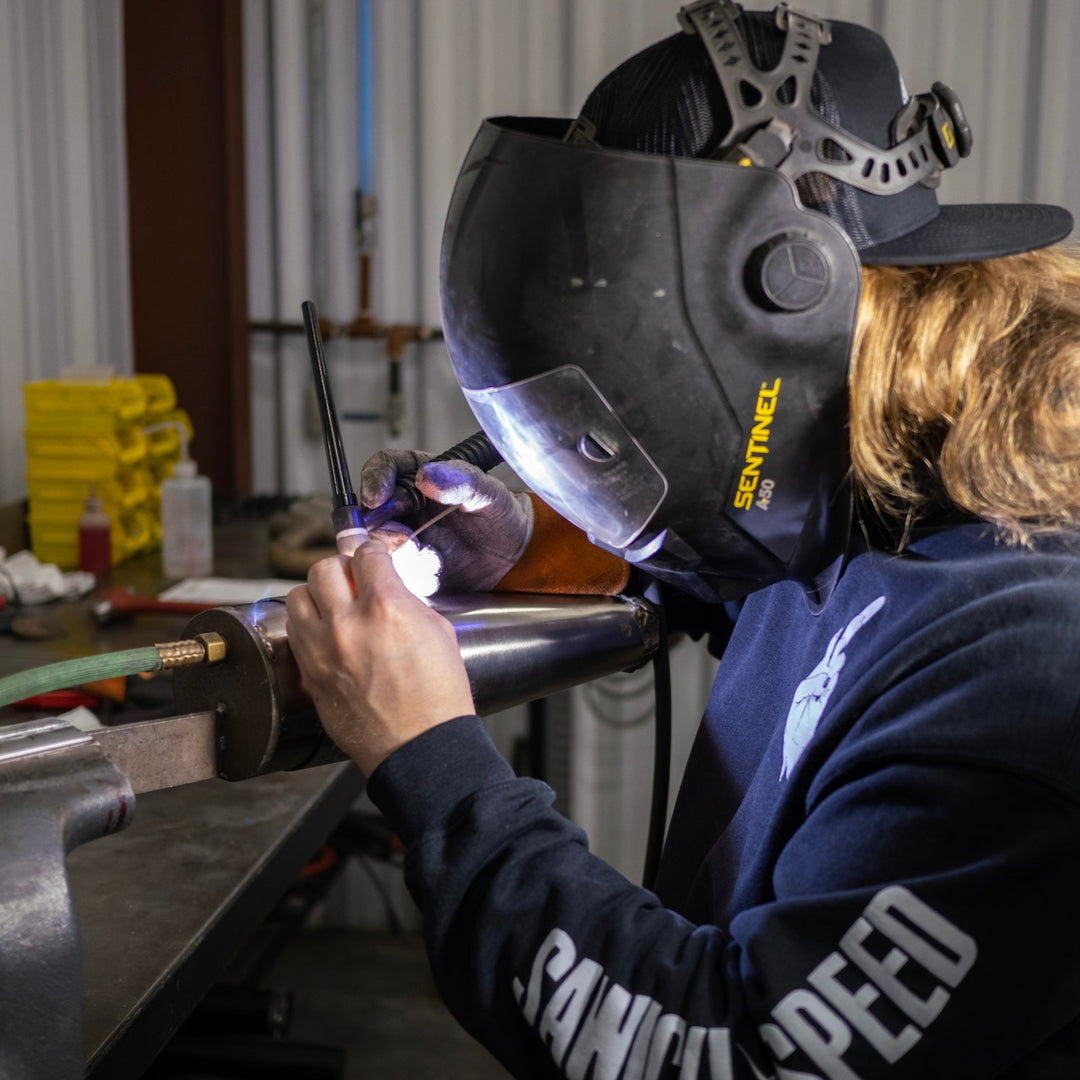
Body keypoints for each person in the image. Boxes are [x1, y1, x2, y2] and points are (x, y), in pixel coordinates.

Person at [285, 3, 1080, 1076]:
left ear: (792, 298)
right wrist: (523, 544)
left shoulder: (1030, 669)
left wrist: (428, 756)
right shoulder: (883, 483)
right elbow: (745, 583)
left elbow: (735, 1050)